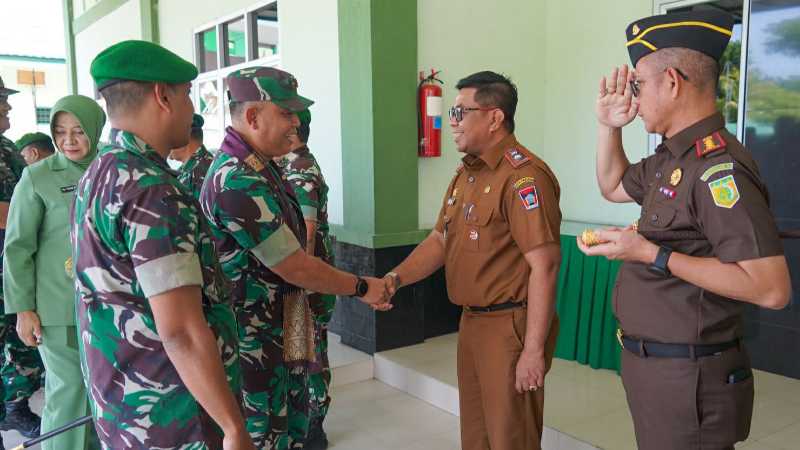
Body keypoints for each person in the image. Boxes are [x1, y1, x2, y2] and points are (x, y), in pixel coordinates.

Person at [579, 11, 791, 450]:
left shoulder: (718, 169)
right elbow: (613, 185)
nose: (632, 98)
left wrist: (652, 254)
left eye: (638, 85)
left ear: (672, 82)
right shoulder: (671, 159)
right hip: (657, 370)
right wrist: (607, 127)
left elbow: (771, 289)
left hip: (690, 379)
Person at [71, 40, 254, 449]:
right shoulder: (152, 190)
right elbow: (182, 331)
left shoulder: (98, 173)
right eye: (188, 94)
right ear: (163, 95)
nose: (191, 110)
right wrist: (231, 425)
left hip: (123, 406)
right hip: (173, 415)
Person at [200, 66, 390, 449]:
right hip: (255, 340)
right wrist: (361, 286)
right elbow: (295, 264)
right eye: (286, 113)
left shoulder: (264, 166)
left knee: (293, 428)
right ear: (252, 116)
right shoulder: (237, 179)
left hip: (285, 325)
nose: (295, 123)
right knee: (266, 434)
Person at [382, 71, 561, 450]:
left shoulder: (523, 178)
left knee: (511, 437)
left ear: (494, 117)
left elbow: (544, 266)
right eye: (452, 111)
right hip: (472, 322)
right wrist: (394, 279)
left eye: (461, 111)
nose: (452, 121)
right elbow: (439, 241)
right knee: (477, 436)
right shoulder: (467, 174)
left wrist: (532, 349)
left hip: (510, 327)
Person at [4, 94, 105, 450]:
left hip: (110, 306)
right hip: (58, 309)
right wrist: (23, 309)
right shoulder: (37, 177)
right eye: (60, 132)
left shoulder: (111, 166)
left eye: (79, 131)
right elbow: (17, 248)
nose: (69, 140)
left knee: (105, 393)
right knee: (70, 390)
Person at [275, 109, 334, 450]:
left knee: (310, 354)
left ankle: (315, 425)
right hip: (302, 283)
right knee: (302, 352)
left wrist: (302, 282)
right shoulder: (286, 167)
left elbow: (306, 235)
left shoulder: (299, 170)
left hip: (306, 285)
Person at [0, 75, 43, 442]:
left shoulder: (7, 149)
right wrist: (29, 214)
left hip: (15, 265)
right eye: (2, 100)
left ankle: (14, 408)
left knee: (20, 345)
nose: (8, 106)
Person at [171, 113, 214, 200]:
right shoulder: (190, 168)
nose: (166, 144)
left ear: (184, 138)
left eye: (170, 138)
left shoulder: (202, 173)